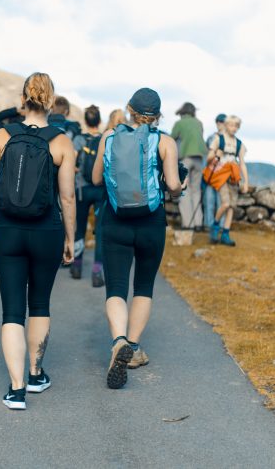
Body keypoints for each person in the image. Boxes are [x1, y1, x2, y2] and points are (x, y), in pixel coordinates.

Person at [0, 72, 76, 410]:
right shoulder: (62, 141)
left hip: (7, 230)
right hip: (47, 230)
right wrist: (70, 238)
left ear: (23, 98)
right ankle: (35, 374)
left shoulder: (2, 137)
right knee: (41, 304)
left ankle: (16, 389)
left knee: (12, 311)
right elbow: (68, 198)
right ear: (51, 100)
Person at [91, 88, 185, 389]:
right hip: (151, 223)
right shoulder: (165, 141)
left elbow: (95, 179)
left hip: (115, 220)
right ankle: (132, 346)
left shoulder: (108, 137)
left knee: (116, 287)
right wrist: (180, 183)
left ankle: (118, 341)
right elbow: (172, 186)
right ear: (157, 115)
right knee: (143, 285)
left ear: (129, 109)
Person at [71, 105, 105, 286]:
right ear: (99, 121)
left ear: (85, 121)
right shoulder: (105, 140)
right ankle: (97, 272)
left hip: (82, 190)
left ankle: (76, 267)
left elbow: (72, 162)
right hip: (100, 189)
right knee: (100, 230)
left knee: (80, 227)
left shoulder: (78, 139)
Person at [206, 115, 249, 247]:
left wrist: (246, 182)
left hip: (233, 177)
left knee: (231, 206)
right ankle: (215, 226)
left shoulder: (239, 144)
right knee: (225, 203)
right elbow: (208, 159)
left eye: (236, 126)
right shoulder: (219, 140)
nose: (234, 128)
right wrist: (215, 155)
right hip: (221, 175)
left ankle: (225, 233)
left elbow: (242, 163)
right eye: (231, 125)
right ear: (226, 125)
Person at [171, 102, 207, 231]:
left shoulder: (180, 123)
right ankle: (198, 223)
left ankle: (188, 224)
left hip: (185, 158)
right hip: (199, 158)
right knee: (196, 190)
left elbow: (172, 138)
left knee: (185, 189)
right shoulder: (199, 123)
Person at [203, 114, 226, 230]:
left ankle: (220, 225)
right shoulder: (211, 138)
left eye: (222, 122)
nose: (220, 124)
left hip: (222, 174)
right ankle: (209, 224)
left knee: (221, 202)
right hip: (211, 172)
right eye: (218, 122)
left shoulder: (229, 139)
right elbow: (207, 154)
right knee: (209, 201)